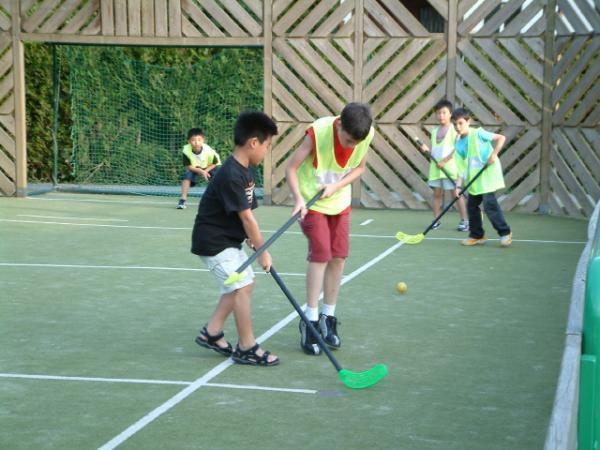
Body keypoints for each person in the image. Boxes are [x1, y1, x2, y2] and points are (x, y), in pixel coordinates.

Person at [191, 112, 279, 366]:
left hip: (228, 240)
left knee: (243, 285)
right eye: (267, 145)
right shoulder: (230, 174)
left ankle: (212, 332)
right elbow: (247, 218)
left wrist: (252, 242)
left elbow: (246, 217)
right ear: (254, 143)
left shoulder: (247, 172)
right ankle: (246, 347)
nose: (266, 151)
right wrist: (262, 250)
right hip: (213, 242)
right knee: (240, 285)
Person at [286, 103, 375, 355]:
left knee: (338, 257)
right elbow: (290, 168)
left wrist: (337, 186)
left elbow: (360, 167)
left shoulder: (364, 134)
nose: (351, 147)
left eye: (355, 143)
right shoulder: (318, 132)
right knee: (322, 254)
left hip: (339, 201)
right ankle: (310, 321)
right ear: (338, 126)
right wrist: (298, 199)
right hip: (310, 201)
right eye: (347, 140)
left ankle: (328, 318)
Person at [451, 107, 512, 247]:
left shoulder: (479, 133)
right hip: (475, 179)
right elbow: (461, 168)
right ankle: (477, 235)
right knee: (471, 206)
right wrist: (458, 186)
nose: (457, 127)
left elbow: (501, 138)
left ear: (468, 121)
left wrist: (494, 154)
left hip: (488, 175)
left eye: (460, 123)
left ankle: (505, 233)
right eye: (455, 124)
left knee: (489, 205)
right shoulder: (459, 143)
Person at [417, 100, 468, 231]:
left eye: (444, 113)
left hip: (450, 168)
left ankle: (465, 221)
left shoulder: (454, 129)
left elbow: (457, 148)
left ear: (450, 114)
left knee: (456, 194)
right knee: (437, 194)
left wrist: (445, 161)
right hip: (436, 168)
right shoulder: (434, 131)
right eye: (438, 113)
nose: (441, 116)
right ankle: (436, 220)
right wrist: (426, 150)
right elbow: (435, 149)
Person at [177, 128, 221, 210]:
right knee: (187, 177)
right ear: (189, 141)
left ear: (203, 140)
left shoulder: (208, 150)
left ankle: (219, 200)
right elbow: (188, 166)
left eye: (199, 140)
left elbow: (214, 163)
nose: (196, 142)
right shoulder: (186, 150)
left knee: (218, 180)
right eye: (193, 140)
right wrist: (200, 171)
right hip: (195, 168)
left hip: (209, 166)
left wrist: (205, 171)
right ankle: (182, 200)